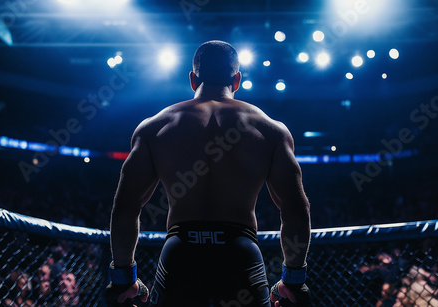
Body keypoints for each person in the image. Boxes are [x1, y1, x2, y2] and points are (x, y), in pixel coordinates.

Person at [106, 40, 312, 307]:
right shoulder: (270, 129)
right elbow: (296, 209)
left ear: (193, 79)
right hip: (240, 254)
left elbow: (125, 207)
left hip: (181, 254)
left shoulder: (155, 127)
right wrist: (294, 280)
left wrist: (122, 278)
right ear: (237, 79)